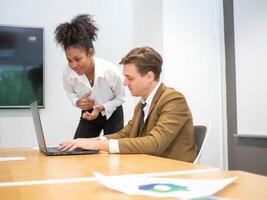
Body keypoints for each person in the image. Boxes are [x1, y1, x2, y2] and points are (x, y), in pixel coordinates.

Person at [59, 46, 197, 162]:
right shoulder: (142, 104)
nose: (125, 83)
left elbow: (154, 143)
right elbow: (125, 134)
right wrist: (90, 141)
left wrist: (98, 144)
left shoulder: (173, 100)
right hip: (151, 166)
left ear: (149, 77)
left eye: (129, 78)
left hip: (175, 173)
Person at [54, 14, 126, 139]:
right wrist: (78, 102)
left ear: (90, 53)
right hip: (88, 114)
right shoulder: (67, 72)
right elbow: (69, 92)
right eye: (69, 60)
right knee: (78, 149)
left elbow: (121, 98)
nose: (73, 65)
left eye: (77, 59)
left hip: (112, 113)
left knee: (112, 149)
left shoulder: (110, 72)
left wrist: (103, 107)